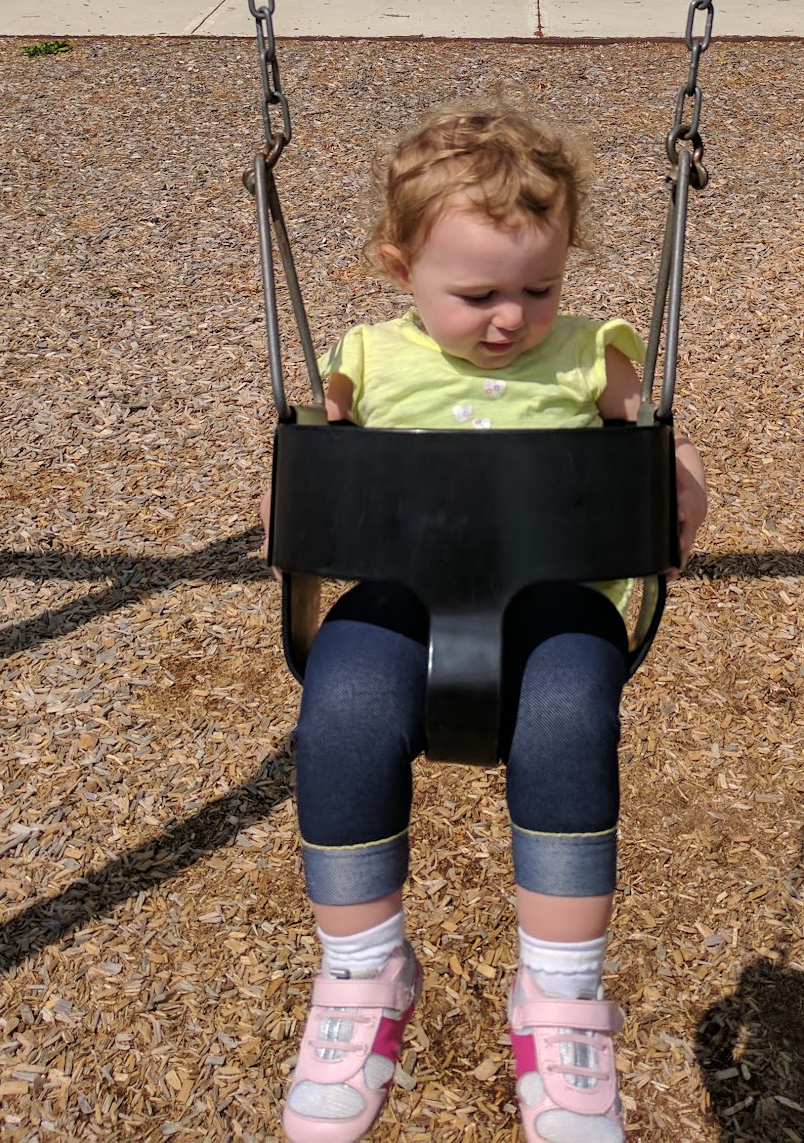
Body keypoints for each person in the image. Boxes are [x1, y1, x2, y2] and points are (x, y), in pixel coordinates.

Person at [268, 107, 707, 1143]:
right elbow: (320, 458)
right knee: (340, 709)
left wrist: (683, 480)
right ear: (401, 267)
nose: (512, 318)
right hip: (399, 594)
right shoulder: (365, 359)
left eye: (538, 289)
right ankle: (363, 972)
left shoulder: (589, 356)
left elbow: (656, 441)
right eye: (477, 296)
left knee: (569, 720)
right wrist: (291, 497)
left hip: (556, 599)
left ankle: (559, 1000)